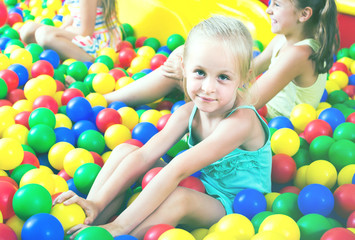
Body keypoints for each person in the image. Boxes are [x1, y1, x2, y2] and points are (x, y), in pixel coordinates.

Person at [54, 15, 272, 239]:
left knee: (179, 198)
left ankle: (116, 235)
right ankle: (89, 219)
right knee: (125, 151)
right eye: (200, 72)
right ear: (184, 68)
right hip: (200, 185)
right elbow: (145, 155)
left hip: (234, 205)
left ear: (244, 78)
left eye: (223, 77)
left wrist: (118, 226)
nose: (208, 87)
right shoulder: (189, 112)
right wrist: (97, 202)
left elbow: (178, 169)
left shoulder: (241, 121)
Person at [104, 0, 339, 119]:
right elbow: (249, 70)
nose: (268, 10)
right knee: (188, 57)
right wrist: (204, 71)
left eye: (277, 4)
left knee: (188, 68)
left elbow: (251, 100)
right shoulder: (284, 40)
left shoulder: (300, 53)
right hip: (256, 110)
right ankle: (111, 100)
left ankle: (107, 102)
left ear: (304, 14)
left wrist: (193, 78)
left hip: (268, 123)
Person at [19, 0, 122, 62]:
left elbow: (86, 32)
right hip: (83, 35)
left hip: (99, 45)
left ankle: (91, 62)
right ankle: (60, 52)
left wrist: (65, 31)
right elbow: (76, 15)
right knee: (28, 29)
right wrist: (61, 30)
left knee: (43, 34)